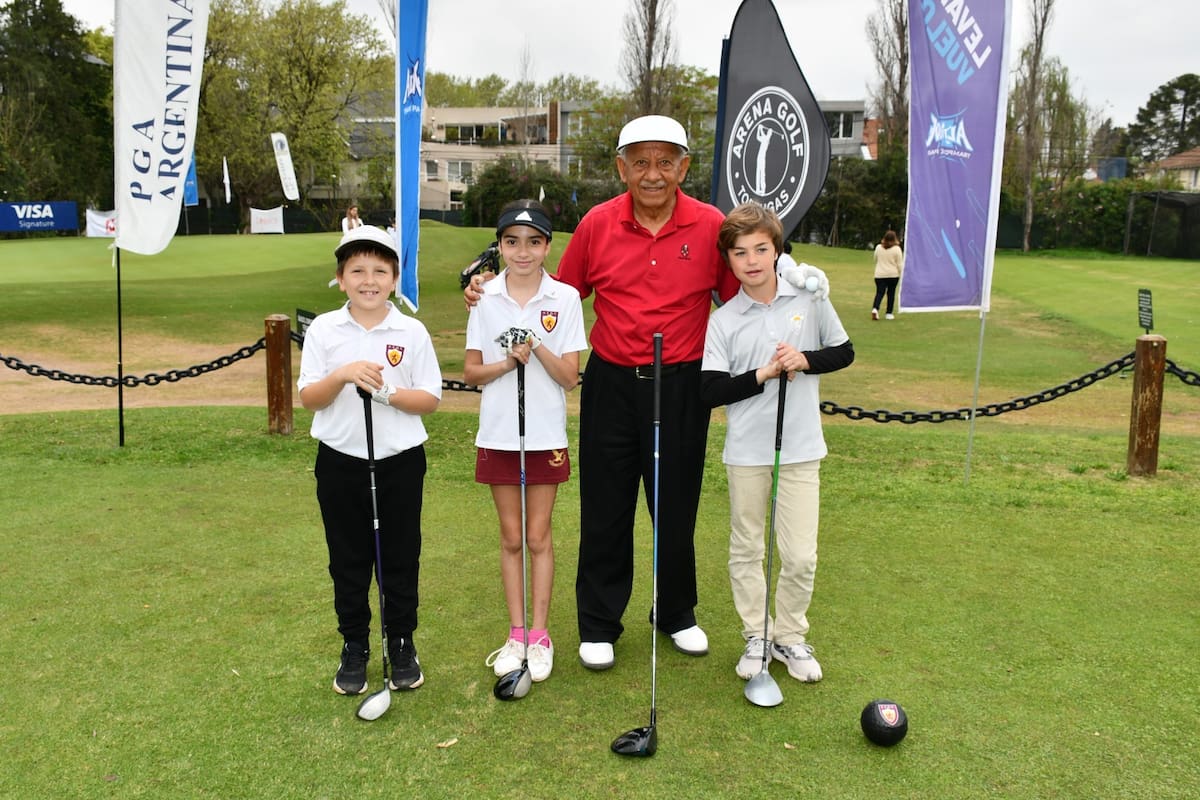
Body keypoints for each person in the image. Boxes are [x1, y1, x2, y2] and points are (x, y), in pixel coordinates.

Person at [465, 115, 829, 671]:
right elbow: (558, 293)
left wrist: (795, 278)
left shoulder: (710, 226)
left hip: (682, 384)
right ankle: (599, 624)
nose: (652, 174)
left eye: (665, 162)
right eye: (639, 161)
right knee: (606, 506)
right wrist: (491, 291)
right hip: (611, 381)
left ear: (684, 167)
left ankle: (677, 612)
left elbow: (746, 293)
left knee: (675, 504)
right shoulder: (597, 224)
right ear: (621, 167)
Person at [701, 202, 854, 684]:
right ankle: (757, 634)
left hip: (802, 446)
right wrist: (763, 374)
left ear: (776, 250)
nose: (751, 261)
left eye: (761, 249)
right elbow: (710, 390)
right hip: (747, 450)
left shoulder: (809, 297)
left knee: (801, 554)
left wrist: (805, 360)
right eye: (740, 252)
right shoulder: (724, 320)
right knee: (747, 547)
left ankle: (789, 636)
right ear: (728, 260)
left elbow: (844, 351)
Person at [298, 224, 442, 696]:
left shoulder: (411, 330)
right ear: (340, 278)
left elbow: (430, 400)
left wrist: (387, 392)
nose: (369, 279)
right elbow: (310, 400)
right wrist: (341, 374)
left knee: (400, 558)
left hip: (400, 462)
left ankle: (401, 643)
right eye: (357, 269)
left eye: (380, 270)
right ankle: (355, 646)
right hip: (341, 461)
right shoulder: (324, 329)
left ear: (395, 279)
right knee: (348, 561)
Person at [464, 200, 587, 683]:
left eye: (533, 242)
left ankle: (540, 634)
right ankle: (515, 634)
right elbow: (472, 371)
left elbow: (570, 377)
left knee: (538, 536)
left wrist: (535, 346)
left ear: (547, 247)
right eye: (512, 242)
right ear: (499, 246)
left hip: (543, 433)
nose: (522, 252)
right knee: (511, 537)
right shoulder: (485, 297)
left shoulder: (566, 298)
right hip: (498, 431)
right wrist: (507, 364)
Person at [871, 230, 903, 320]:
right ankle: (889, 313)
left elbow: (875, 259)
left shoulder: (878, 247)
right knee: (891, 293)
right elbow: (899, 264)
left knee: (879, 292)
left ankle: (875, 308)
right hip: (892, 275)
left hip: (880, 274)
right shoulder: (897, 249)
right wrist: (902, 274)